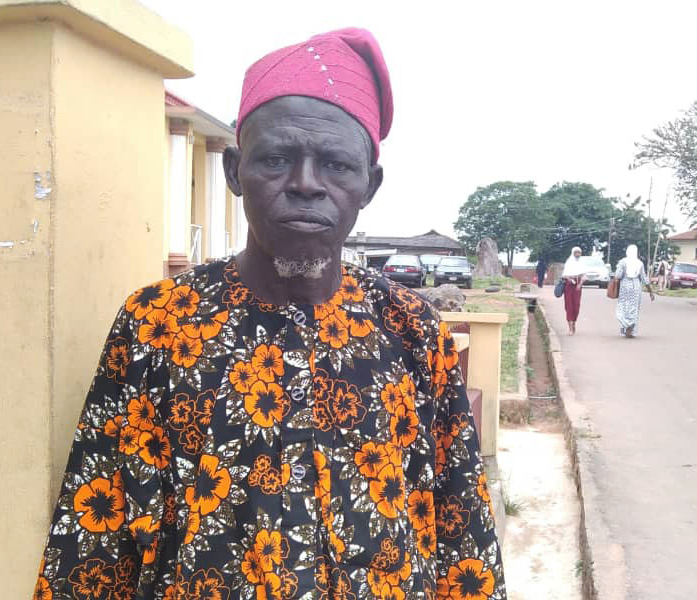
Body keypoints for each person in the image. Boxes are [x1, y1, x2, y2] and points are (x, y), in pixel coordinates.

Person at [33, 28, 506, 600]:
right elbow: (93, 545)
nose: (306, 185)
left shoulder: (409, 330)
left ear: (369, 186)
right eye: (278, 159)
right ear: (235, 171)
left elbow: (463, 532)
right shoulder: (158, 325)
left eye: (335, 164)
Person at [614, 244, 655, 337]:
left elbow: (618, 275)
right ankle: (631, 328)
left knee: (624, 307)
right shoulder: (639, 263)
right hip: (636, 287)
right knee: (634, 308)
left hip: (625, 286)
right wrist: (651, 292)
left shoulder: (623, 262)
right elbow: (644, 279)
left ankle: (626, 326)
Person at [562, 247, 587, 335]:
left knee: (576, 306)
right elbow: (564, 275)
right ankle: (570, 327)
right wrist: (569, 278)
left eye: (579, 253)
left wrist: (580, 284)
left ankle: (574, 322)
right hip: (568, 286)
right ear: (573, 253)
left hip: (578, 286)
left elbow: (584, 275)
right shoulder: (569, 262)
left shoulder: (582, 263)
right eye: (576, 253)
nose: (577, 254)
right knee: (569, 306)